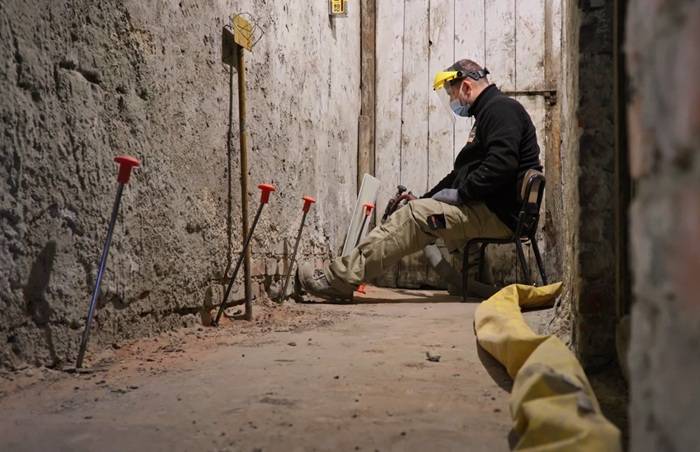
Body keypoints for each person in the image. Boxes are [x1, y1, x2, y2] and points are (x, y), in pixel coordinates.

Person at [296, 59, 543, 300]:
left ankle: (338, 279)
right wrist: (426, 198)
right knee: (427, 209)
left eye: (451, 94)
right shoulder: (490, 112)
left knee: (415, 216)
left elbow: (501, 165)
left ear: (466, 87)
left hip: (499, 216)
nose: (452, 101)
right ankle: (471, 283)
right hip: (495, 211)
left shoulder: (500, 110)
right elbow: (459, 175)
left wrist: (460, 195)